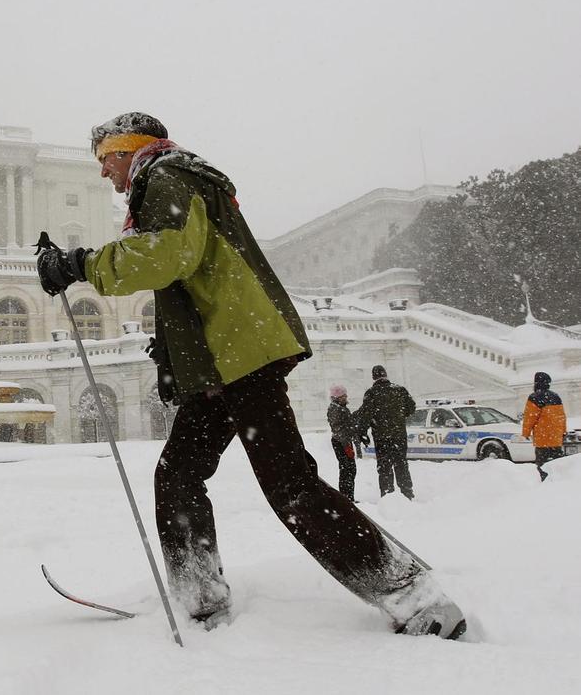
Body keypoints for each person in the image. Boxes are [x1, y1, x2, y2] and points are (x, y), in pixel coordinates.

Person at [35, 111, 465, 638]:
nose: (104, 173)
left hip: (241, 356)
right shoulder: (174, 180)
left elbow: (168, 256)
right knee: (179, 475)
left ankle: (413, 596)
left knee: (289, 486)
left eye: (105, 159)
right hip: (223, 360)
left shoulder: (167, 177)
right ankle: (200, 600)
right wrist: (173, 356)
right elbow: (195, 278)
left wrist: (80, 264)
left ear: (130, 150)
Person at [353, 365, 416, 499]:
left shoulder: (371, 393)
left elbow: (366, 415)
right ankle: (407, 492)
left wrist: (362, 432)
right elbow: (411, 407)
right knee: (401, 463)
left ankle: (388, 494)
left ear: (373, 377)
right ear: (385, 374)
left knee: (384, 466)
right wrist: (398, 416)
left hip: (381, 436)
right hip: (399, 435)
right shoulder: (399, 390)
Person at [522, 371, 567, 481]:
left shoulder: (534, 397)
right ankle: (559, 484)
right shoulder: (556, 397)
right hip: (556, 439)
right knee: (557, 465)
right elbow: (562, 417)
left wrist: (526, 433)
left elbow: (529, 417)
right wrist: (563, 432)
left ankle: (545, 486)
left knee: (542, 466)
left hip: (543, 440)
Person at [326, 385, 366, 501]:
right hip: (341, 443)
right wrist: (346, 445)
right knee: (347, 470)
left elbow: (348, 424)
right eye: (343, 396)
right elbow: (339, 429)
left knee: (349, 470)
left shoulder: (341, 408)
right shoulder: (335, 409)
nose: (346, 397)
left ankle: (348, 497)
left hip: (344, 442)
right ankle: (346, 498)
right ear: (336, 397)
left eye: (345, 395)